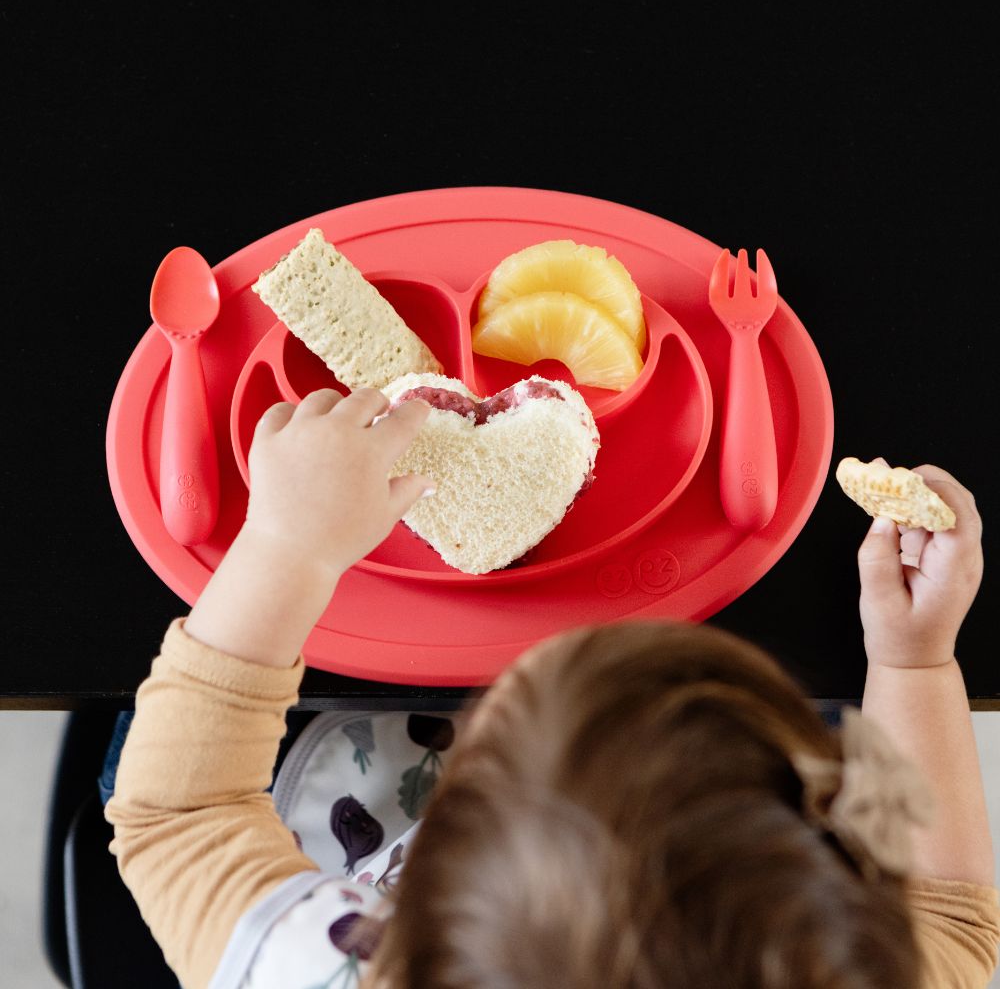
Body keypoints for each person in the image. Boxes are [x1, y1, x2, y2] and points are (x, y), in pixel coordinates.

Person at [105, 386, 999, 989]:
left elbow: (177, 813)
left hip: (332, 801)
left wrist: (287, 547)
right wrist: (913, 662)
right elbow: (951, 915)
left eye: (491, 728)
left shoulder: (329, 970)